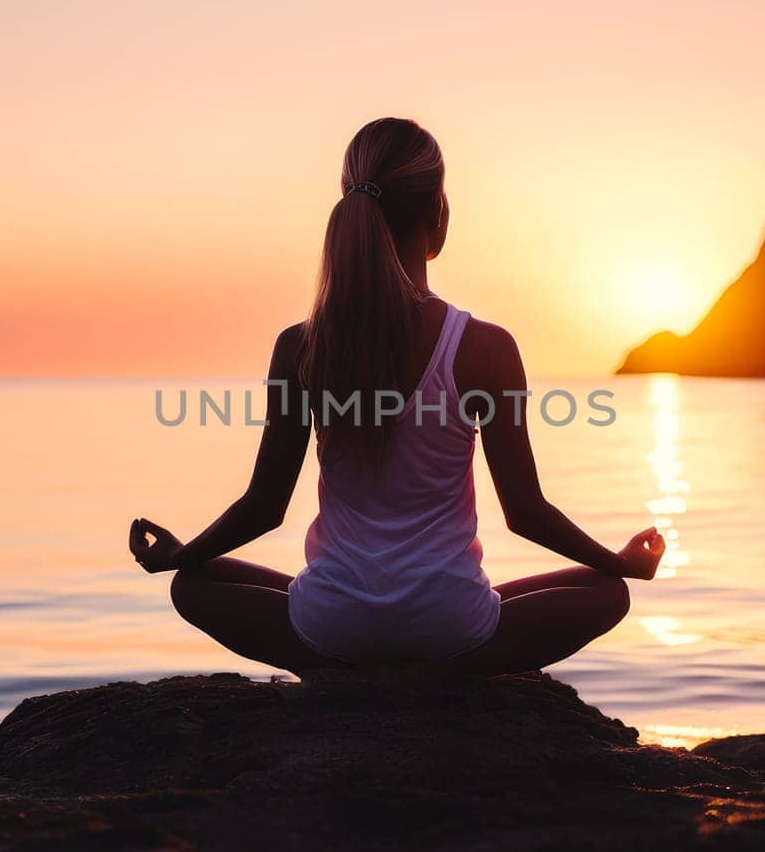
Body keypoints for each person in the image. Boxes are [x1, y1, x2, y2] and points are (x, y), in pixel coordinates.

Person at [129, 117, 664, 675]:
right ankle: (439, 669)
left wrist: (179, 554)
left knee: (194, 584)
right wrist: (618, 561)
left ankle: (346, 666)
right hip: (450, 628)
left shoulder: (301, 346)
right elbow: (526, 514)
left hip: (332, 630)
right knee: (607, 591)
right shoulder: (484, 348)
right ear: (438, 213)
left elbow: (264, 507)